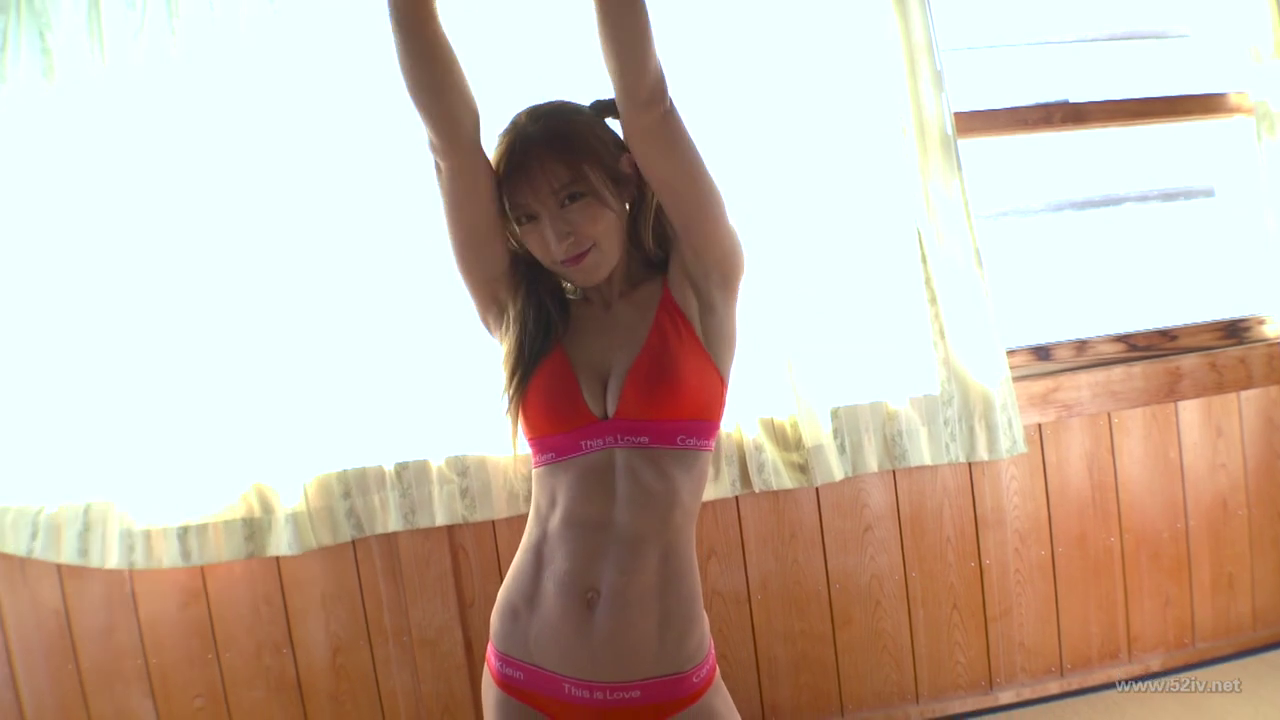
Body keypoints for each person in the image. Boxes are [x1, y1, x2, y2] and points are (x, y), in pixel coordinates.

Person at [388, 1, 744, 717]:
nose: (556, 236)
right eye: (526, 218)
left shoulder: (701, 285)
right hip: (528, 677)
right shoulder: (526, 319)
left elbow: (648, 103)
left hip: (670, 686)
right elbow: (451, 147)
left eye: (572, 198)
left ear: (627, 177)